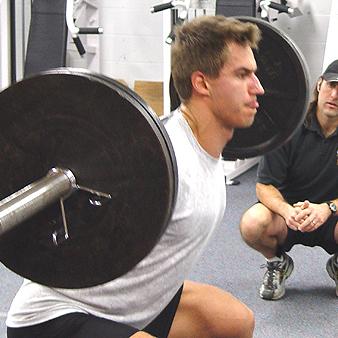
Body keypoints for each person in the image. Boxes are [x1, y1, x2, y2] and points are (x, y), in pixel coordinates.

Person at [6, 15, 264, 338]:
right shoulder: (161, 162)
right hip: (55, 318)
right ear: (202, 83)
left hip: (132, 310)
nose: (259, 88)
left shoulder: (202, 149)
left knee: (233, 322)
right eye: (243, 75)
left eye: (254, 74)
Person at [239, 59, 338, 301]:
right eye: (331, 85)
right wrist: (286, 211)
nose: (335, 95)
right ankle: (277, 262)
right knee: (252, 222)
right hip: (288, 216)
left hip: (332, 215)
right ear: (319, 85)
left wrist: (328, 208)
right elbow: (264, 185)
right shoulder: (290, 127)